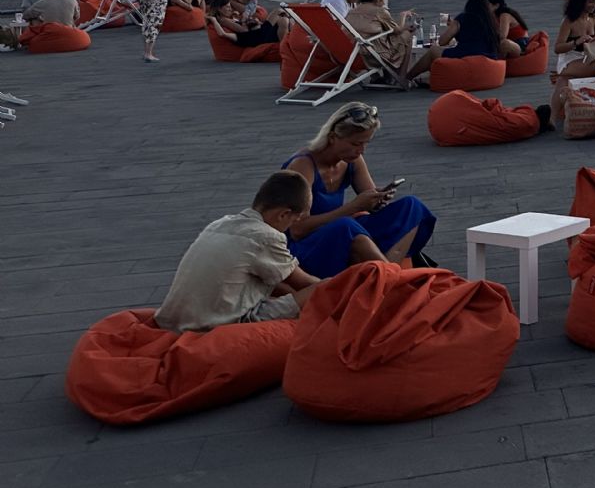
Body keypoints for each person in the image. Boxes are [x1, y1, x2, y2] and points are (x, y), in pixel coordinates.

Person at [153, 171, 321, 330]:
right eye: (294, 220)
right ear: (283, 214)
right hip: (217, 325)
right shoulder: (266, 237)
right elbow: (304, 283)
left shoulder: (219, 224)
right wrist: (341, 283)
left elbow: (278, 280)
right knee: (322, 289)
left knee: (278, 285)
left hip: (177, 321)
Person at [283, 102, 436, 275]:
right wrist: (354, 207)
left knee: (411, 206)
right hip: (305, 246)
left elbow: (369, 201)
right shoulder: (303, 166)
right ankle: (390, 278)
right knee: (346, 225)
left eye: (365, 143)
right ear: (333, 137)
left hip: (340, 232)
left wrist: (377, 200)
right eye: (356, 144)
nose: (361, 150)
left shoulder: (351, 160)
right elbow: (297, 230)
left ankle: (386, 270)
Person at [346, 0, 439, 82]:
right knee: (407, 36)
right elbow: (397, 30)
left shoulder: (352, 11)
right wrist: (403, 15)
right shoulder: (379, 11)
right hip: (372, 56)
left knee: (387, 37)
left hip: (353, 54)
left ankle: (385, 77)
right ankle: (402, 78)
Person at [438, 0, 506, 59]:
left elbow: (442, 41)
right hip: (490, 58)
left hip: (466, 55)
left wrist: (452, 26)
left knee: (434, 51)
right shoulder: (490, 20)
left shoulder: (462, 18)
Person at [209, 0, 288, 50]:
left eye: (230, 6)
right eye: (227, 7)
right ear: (219, 9)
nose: (230, 9)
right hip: (259, 36)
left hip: (259, 33)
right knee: (279, 10)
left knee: (284, 20)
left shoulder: (230, 17)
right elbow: (244, 31)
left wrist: (252, 21)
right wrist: (245, 21)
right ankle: (283, 48)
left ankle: (284, 46)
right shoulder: (224, 20)